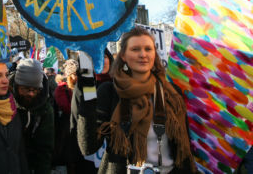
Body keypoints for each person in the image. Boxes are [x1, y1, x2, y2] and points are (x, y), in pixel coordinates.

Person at [74, 27, 197, 173]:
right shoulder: (109, 92)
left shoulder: (171, 93)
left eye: (148, 49)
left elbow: (184, 148)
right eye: (135, 49)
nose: (143, 54)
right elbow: (88, 146)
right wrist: (87, 83)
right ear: (124, 56)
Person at [10, 58, 54, 174]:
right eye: (25, 89)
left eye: (35, 89)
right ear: (17, 85)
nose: (31, 93)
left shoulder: (44, 108)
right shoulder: (4, 98)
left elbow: (44, 148)